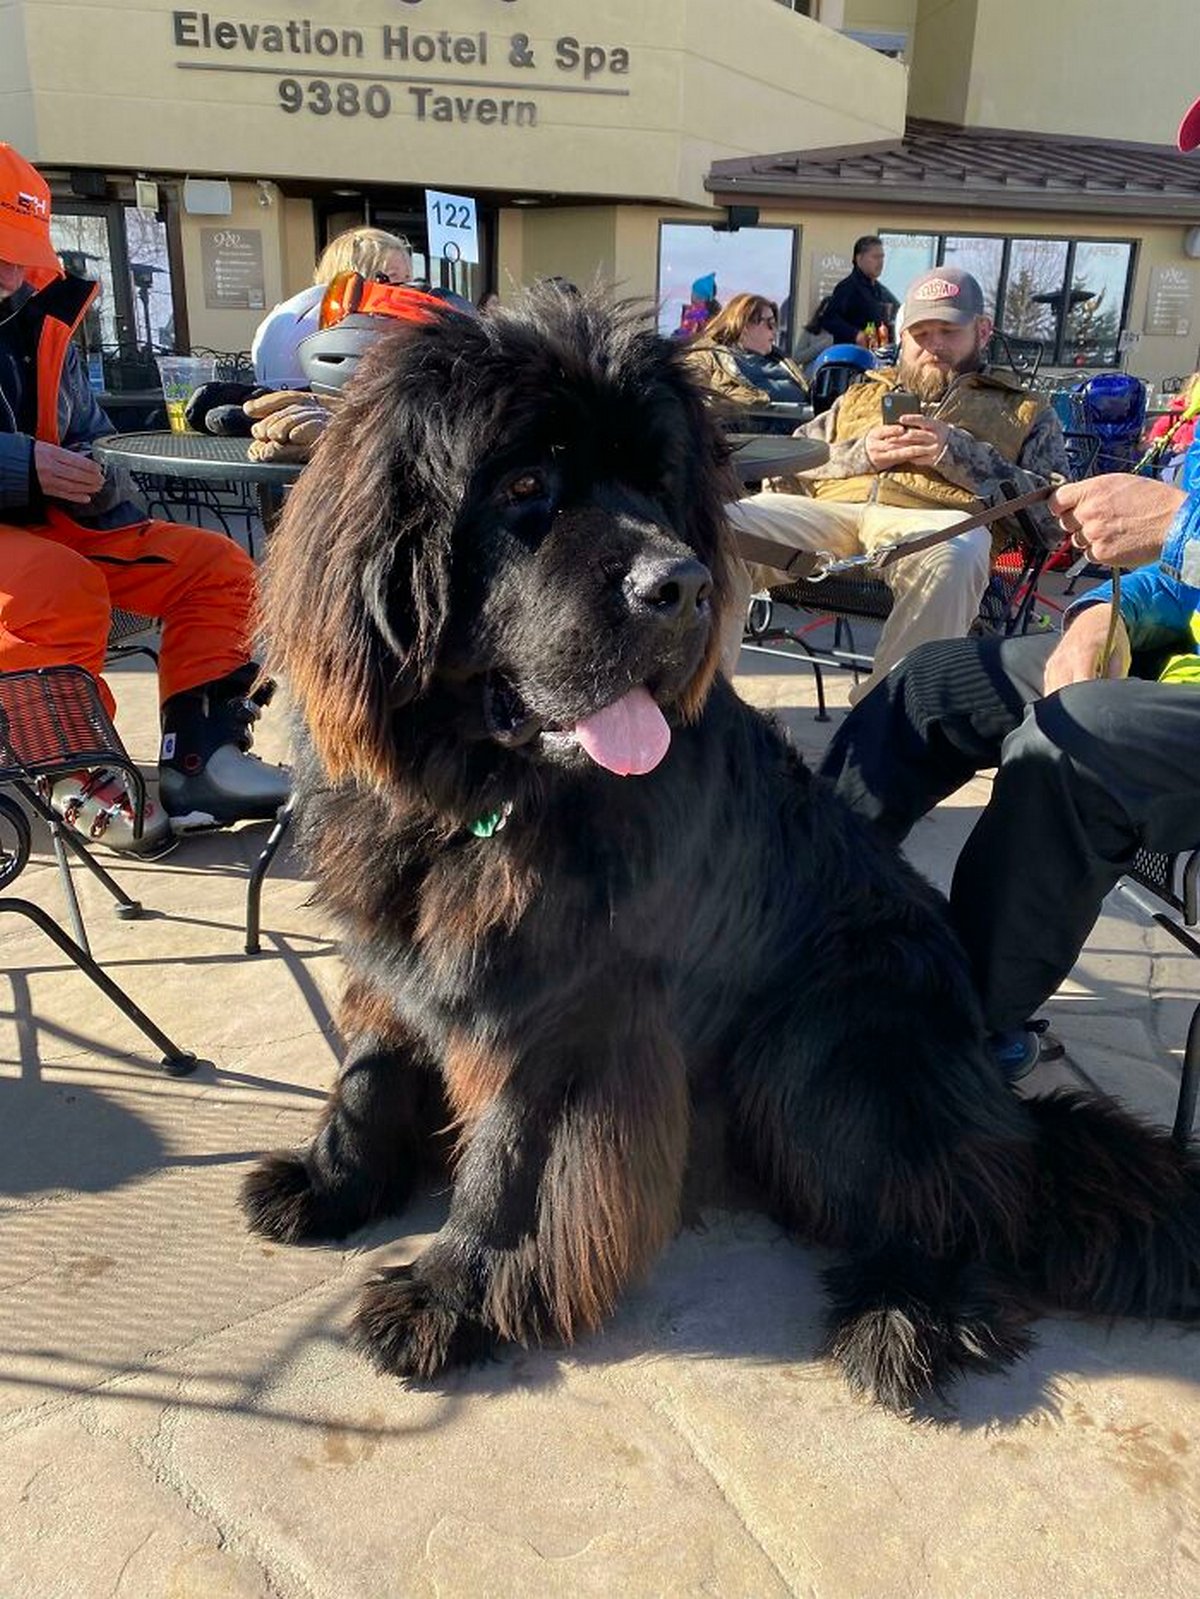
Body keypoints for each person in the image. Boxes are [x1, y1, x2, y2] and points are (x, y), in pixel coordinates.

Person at [0, 143, 289, 852]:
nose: (9, 272)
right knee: (57, 586)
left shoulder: (41, 319)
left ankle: (202, 761)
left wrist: (98, 480)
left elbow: (87, 436)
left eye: (17, 252)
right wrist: (20, 464)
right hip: (30, 566)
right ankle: (68, 764)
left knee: (217, 564)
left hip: (52, 530)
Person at [724, 266, 1070, 698]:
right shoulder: (861, 392)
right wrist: (860, 453)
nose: (933, 346)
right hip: (829, 516)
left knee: (956, 556)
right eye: (920, 333)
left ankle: (881, 725)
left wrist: (958, 454)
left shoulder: (1024, 410)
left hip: (933, 526)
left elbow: (1054, 518)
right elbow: (792, 458)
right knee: (721, 527)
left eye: (948, 330)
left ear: (982, 331)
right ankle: (698, 711)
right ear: (900, 337)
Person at [251, 225, 412, 389]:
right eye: (392, 278)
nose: (406, 288)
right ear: (354, 276)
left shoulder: (295, 311)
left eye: (407, 278)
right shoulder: (335, 322)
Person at [682, 292, 808, 430]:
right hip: (745, 445)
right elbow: (693, 403)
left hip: (796, 443)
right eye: (770, 324)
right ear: (745, 325)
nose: (775, 330)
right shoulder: (706, 357)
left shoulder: (782, 361)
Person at [815, 236, 899, 348]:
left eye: (882, 257)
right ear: (859, 259)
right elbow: (829, 319)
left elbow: (899, 314)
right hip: (851, 358)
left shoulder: (882, 291)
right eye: (875, 257)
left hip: (877, 357)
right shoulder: (847, 288)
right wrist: (856, 334)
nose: (880, 262)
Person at [673, 272, 720, 341]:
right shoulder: (715, 315)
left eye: (693, 292)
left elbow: (685, 336)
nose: (691, 295)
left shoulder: (694, 315)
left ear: (700, 297)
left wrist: (675, 336)